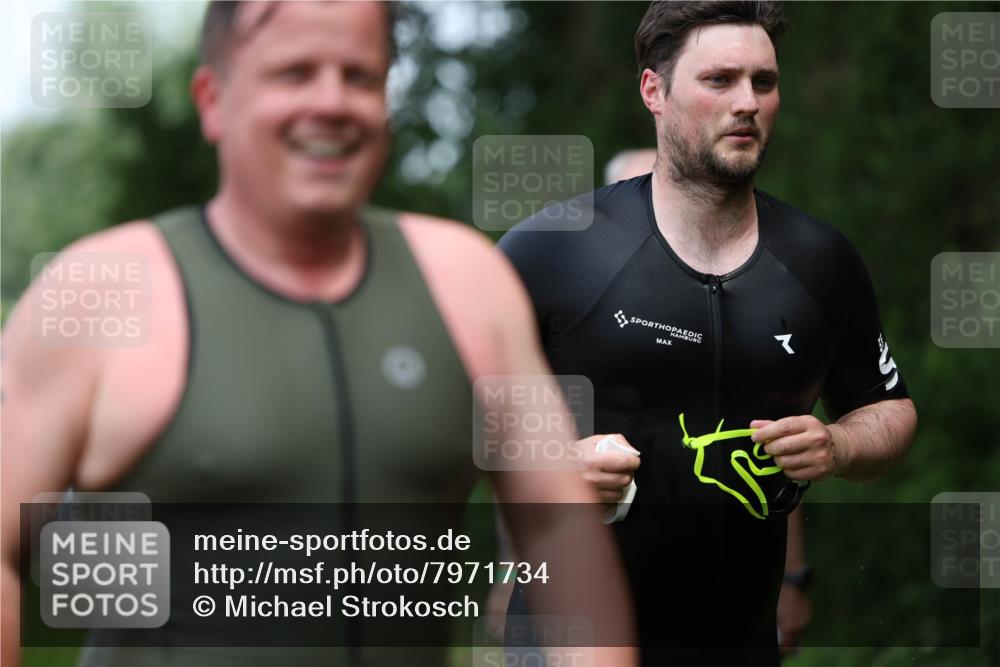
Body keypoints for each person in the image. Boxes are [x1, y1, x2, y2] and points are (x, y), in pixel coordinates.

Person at [1, 2, 638, 666]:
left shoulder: (470, 285)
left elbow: (559, 527)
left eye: (360, 77)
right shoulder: (103, 289)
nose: (332, 102)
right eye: (294, 73)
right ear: (212, 100)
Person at [498, 2, 917, 665]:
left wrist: (837, 442)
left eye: (764, 81)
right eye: (720, 80)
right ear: (654, 91)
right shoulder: (556, 247)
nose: (747, 102)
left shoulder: (820, 262)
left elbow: (890, 410)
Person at [604, 147, 814, 659]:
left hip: (726, 609)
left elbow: (773, 462)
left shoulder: (745, 309)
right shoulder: (574, 305)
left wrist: (792, 579)